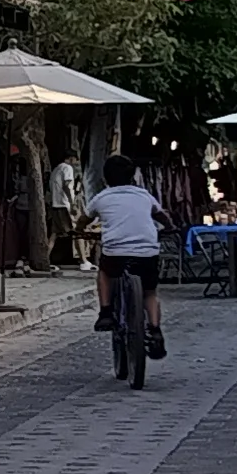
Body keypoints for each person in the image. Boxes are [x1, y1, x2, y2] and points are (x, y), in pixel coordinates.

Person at [84, 155, 167, 367]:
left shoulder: (102, 197)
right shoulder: (143, 195)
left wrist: (77, 230)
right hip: (147, 251)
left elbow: (84, 219)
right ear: (132, 177)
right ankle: (155, 330)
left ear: (105, 178)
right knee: (149, 292)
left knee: (104, 271)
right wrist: (171, 226)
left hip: (116, 252)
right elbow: (161, 215)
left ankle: (105, 312)